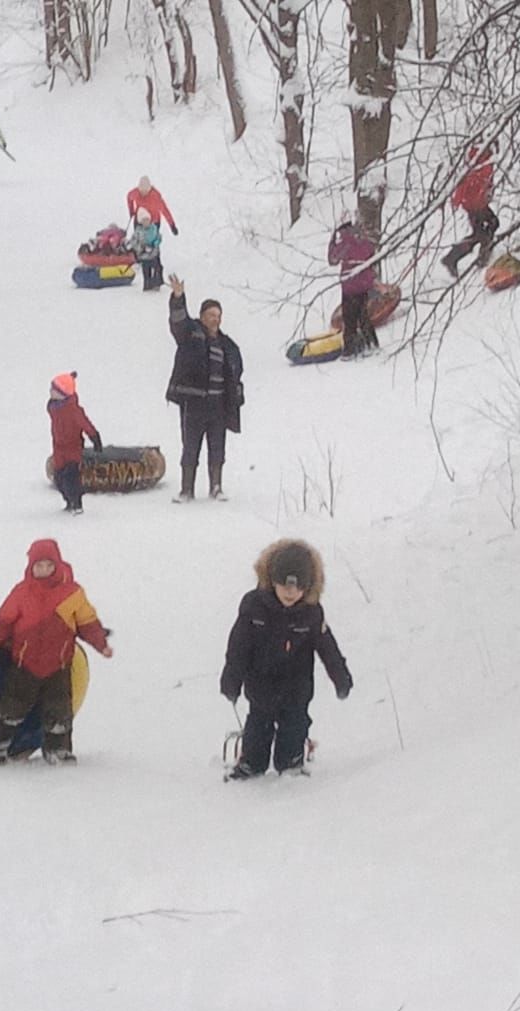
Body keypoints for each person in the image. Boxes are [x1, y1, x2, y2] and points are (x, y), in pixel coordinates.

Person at [220, 539, 353, 780]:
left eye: (298, 587)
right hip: (260, 683)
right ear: (272, 580)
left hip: (297, 686)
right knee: (258, 726)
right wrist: (231, 679)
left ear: (308, 586)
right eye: (284, 585)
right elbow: (238, 646)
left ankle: (292, 763)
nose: (290, 593)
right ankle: (251, 763)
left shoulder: (311, 613)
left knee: (294, 726)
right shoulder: (253, 606)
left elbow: (327, 647)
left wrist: (340, 678)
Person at [0, 539, 113, 766]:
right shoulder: (22, 592)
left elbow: (87, 622)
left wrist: (100, 643)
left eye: (48, 565)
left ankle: (58, 750)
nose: (43, 570)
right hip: (25, 664)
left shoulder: (72, 593)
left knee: (60, 711)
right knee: (12, 707)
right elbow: (4, 619)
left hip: (58, 666)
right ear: (30, 567)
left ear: (58, 565)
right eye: (38, 566)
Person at [165, 274, 244, 503]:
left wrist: (237, 394)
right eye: (211, 315)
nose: (215, 319)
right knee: (190, 447)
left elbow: (237, 373)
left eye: (218, 316)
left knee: (217, 448)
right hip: (194, 403)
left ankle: (216, 487)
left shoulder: (228, 345)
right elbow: (177, 321)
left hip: (218, 405)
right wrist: (178, 297)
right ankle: (186, 490)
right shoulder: (190, 334)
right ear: (202, 316)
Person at [47, 371, 103, 515]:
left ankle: (77, 503)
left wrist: (94, 437)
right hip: (58, 448)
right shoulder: (53, 407)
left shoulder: (73, 410)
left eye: (53, 390)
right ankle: (68, 501)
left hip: (73, 449)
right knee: (59, 478)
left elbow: (86, 424)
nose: (50, 392)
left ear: (63, 394)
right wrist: (70, 378)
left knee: (71, 478)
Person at [441, 144, 500, 278]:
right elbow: (464, 182)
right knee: (482, 232)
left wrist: (488, 192)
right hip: (473, 204)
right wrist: (458, 200)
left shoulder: (488, 159)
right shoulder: (478, 161)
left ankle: (482, 255)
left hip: (479, 202)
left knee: (492, 224)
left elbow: (487, 180)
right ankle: (453, 258)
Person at [328, 214, 378, 359]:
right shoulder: (362, 239)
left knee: (349, 318)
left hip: (350, 286)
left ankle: (350, 350)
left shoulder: (344, 242)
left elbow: (333, 259)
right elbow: (371, 252)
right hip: (364, 284)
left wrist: (332, 242)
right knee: (363, 316)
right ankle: (371, 344)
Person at [128, 207, 163, 291]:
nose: (146, 222)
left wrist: (155, 245)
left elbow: (158, 238)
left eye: (147, 219)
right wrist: (141, 248)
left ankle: (156, 283)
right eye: (144, 220)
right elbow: (133, 242)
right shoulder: (138, 231)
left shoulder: (154, 228)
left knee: (157, 268)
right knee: (146, 271)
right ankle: (147, 285)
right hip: (143, 255)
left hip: (153, 254)